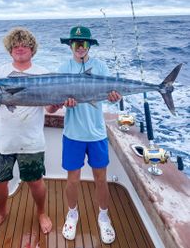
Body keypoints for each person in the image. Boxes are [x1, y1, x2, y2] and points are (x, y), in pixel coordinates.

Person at [0, 27, 52, 234]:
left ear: (32, 49)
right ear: (10, 49)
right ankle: (1, 212)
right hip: (1, 139)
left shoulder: (43, 73)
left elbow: (50, 107)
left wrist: (60, 103)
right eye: (15, 46)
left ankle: (41, 212)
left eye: (24, 45)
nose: (20, 48)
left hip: (31, 140)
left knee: (35, 182)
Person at [46, 26, 121, 244]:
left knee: (101, 179)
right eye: (76, 43)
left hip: (97, 134)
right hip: (73, 135)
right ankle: (72, 214)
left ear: (90, 46)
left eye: (84, 43)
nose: (80, 47)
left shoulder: (101, 66)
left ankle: (104, 216)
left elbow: (109, 95)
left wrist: (114, 97)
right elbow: (53, 104)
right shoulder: (63, 68)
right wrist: (63, 102)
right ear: (70, 45)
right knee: (72, 180)